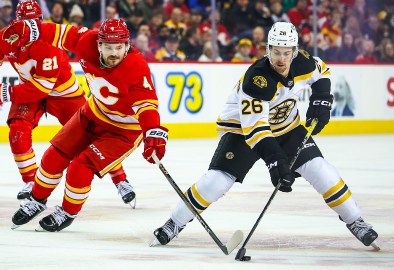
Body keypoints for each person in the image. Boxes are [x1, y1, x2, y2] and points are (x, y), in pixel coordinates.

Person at [151, 22, 379, 250]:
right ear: (267, 49)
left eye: (286, 53)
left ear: (295, 51)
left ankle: (355, 220)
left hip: (287, 128)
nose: (281, 59)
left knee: (322, 171)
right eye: (276, 52)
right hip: (242, 131)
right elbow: (256, 129)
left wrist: (322, 99)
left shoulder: (304, 62)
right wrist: (275, 160)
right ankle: (175, 222)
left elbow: (322, 71)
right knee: (216, 182)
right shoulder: (257, 79)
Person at [3, 18, 167, 232]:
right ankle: (37, 200)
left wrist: (152, 132)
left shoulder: (136, 68)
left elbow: (146, 107)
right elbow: (59, 32)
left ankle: (68, 212)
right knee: (53, 156)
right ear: (98, 44)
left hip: (123, 130)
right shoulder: (86, 41)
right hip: (93, 112)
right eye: (109, 47)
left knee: (80, 167)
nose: (114, 53)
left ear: (127, 46)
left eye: (119, 47)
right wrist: (32, 29)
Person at [0, 0, 137, 207]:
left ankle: (120, 179)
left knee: (92, 136)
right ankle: (30, 183)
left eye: (34, 21)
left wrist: (3, 92)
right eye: (24, 21)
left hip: (64, 95)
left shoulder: (48, 46)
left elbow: (41, 88)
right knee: (17, 130)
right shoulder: (8, 36)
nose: (29, 26)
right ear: (16, 21)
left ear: (41, 21)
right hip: (30, 92)